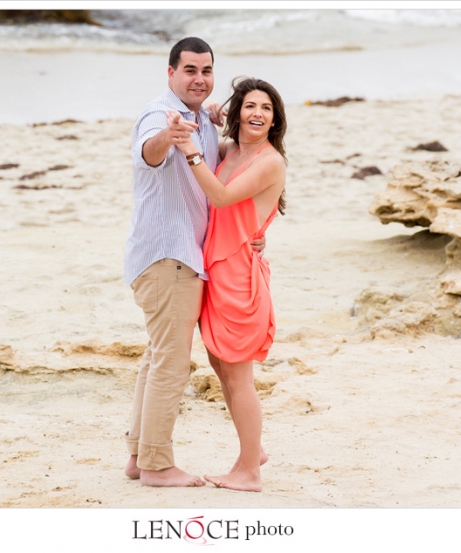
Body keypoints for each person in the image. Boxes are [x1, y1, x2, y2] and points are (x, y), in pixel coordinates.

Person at [122, 38, 265, 487]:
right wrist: (171, 136)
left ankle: (139, 457)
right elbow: (149, 152)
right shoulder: (160, 115)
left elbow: (231, 168)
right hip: (169, 257)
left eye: (206, 70)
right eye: (189, 70)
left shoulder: (202, 119)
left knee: (157, 357)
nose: (199, 79)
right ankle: (157, 466)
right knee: (171, 363)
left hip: (180, 257)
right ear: (171, 73)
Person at [169, 77, 287, 492]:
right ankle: (253, 450)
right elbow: (214, 130)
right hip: (217, 270)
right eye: (250, 106)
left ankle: (249, 471)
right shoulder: (232, 151)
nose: (258, 113)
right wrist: (214, 111)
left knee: (238, 377)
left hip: (238, 275)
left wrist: (190, 151)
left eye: (266, 109)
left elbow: (220, 197)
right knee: (221, 367)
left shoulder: (269, 162)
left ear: (275, 121)